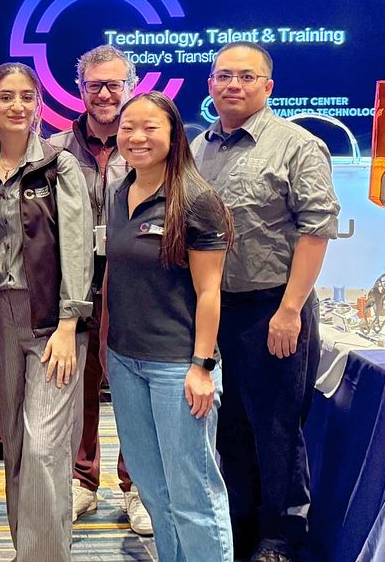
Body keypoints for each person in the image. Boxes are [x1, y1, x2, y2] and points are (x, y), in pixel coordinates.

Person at [190, 42, 340, 562]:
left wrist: (290, 310)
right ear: (210, 84)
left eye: (246, 76)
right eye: (223, 75)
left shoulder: (296, 145)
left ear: (268, 86)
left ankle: (280, 537)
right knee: (227, 425)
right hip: (213, 310)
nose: (233, 84)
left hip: (273, 308)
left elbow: (316, 229)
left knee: (275, 427)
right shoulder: (198, 148)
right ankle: (242, 526)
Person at [105, 91, 235, 562]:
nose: (136, 137)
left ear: (174, 134)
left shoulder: (197, 200)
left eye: (150, 128)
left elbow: (208, 291)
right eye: (128, 128)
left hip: (177, 368)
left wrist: (201, 365)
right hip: (125, 363)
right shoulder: (122, 191)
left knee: (194, 495)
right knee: (154, 488)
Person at [0, 63, 92, 560]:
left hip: (52, 321)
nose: (17, 106)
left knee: (46, 447)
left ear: (39, 104)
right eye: (6, 97)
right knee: (17, 446)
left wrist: (69, 322)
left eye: (27, 96)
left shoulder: (59, 165)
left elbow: (77, 245)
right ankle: (29, 550)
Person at [47, 45, 152, 534]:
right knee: (78, 384)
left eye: (114, 84)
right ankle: (82, 481)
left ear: (129, 87)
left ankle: (138, 489)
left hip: (137, 281)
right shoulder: (54, 149)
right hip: (75, 281)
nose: (105, 94)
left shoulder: (151, 145)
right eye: (95, 85)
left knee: (133, 386)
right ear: (80, 89)